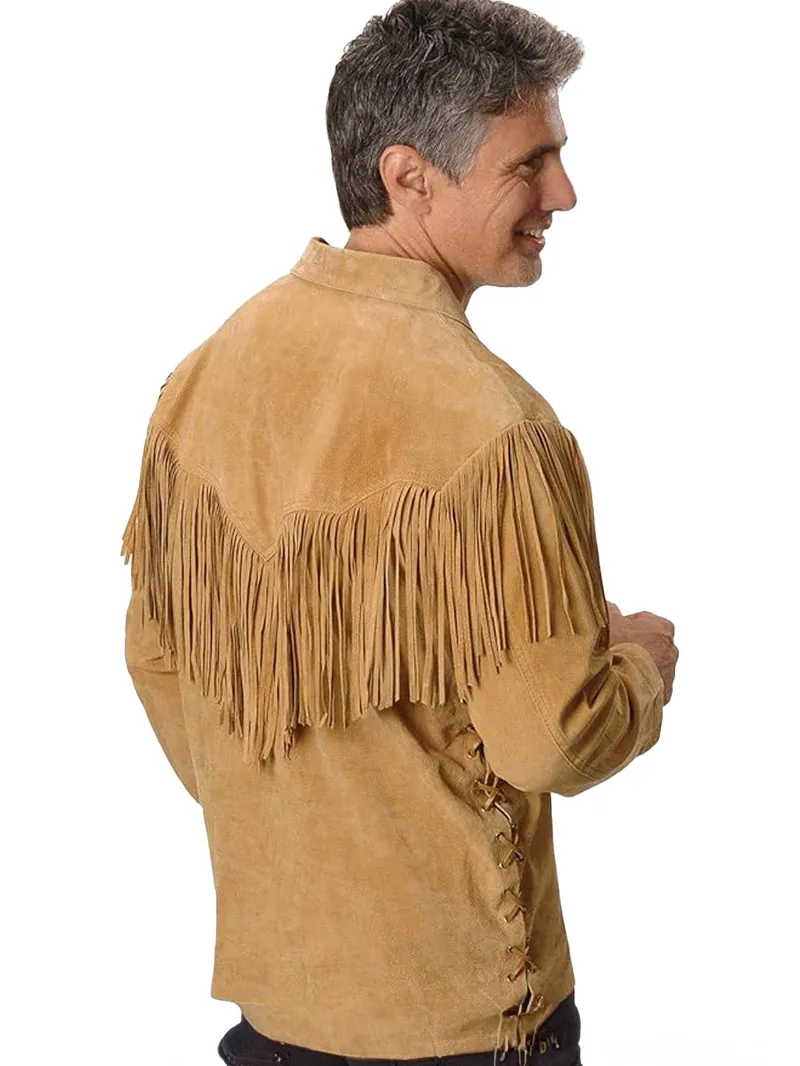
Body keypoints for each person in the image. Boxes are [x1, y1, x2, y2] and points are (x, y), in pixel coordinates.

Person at [120, 3, 679, 1066]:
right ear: (408, 176)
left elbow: (158, 658)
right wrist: (638, 665)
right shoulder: (493, 426)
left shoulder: (205, 377)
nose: (563, 193)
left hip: (276, 1015)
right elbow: (553, 738)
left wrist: (294, 809)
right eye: (531, 163)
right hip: (463, 1019)